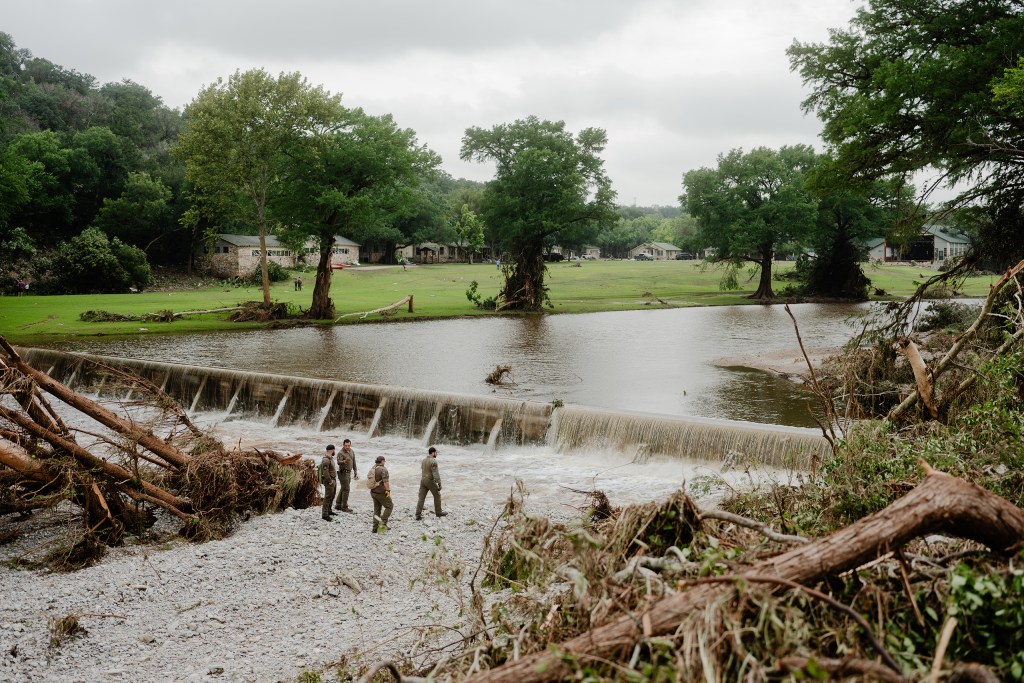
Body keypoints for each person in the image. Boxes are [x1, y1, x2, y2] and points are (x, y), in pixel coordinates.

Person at [415, 446, 447, 520]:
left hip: (422, 480)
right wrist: (439, 483)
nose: (436, 454)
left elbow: (422, 470)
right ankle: (438, 512)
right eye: (436, 452)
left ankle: (417, 514)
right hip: (429, 480)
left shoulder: (423, 460)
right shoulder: (433, 461)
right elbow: (435, 473)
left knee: (421, 498)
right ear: (433, 453)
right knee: (437, 495)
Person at [369, 455, 393, 533]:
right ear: (382, 461)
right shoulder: (383, 470)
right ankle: (383, 524)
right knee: (389, 506)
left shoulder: (373, 468)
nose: (384, 462)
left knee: (377, 510)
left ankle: (374, 528)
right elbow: (386, 482)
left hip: (373, 492)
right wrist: (388, 492)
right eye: (384, 461)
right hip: (381, 493)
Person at [334, 438, 358, 513]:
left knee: (343, 488)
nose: (347, 447)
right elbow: (338, 462)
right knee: (346, 490)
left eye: (348, 445)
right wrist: (344, 461)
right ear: (343, 445)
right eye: (346, 445)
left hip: (349, 472)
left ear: (350, 445)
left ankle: (338, 505)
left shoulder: (351, 451)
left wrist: (355, 471)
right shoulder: (340, 453)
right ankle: (344, 507)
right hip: (343, 473)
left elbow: (354, 462)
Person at [320, 445, 338, 522]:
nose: (335, 452)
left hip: (333, 480)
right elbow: (325, 472)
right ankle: (324, 514)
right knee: (327, 497)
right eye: (334, 450)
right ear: (331, 450)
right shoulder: (326, 460)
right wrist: (330, 481)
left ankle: (329, 510)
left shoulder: (330, 458)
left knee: (332, 496)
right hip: (329, 481)